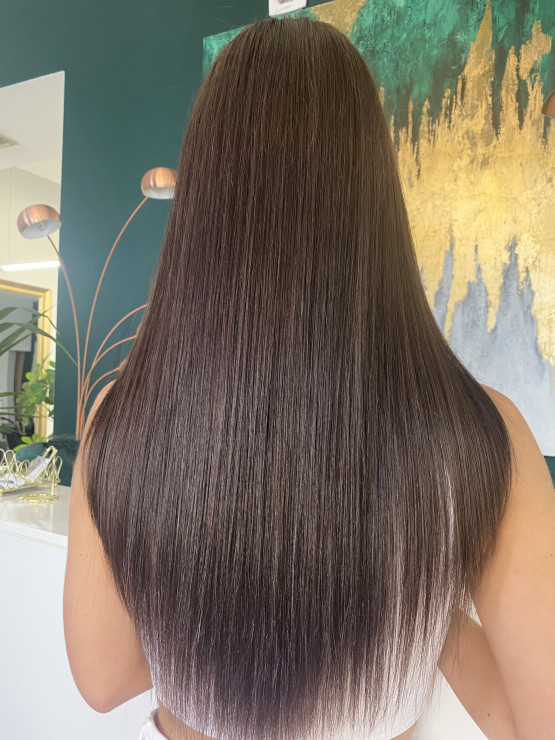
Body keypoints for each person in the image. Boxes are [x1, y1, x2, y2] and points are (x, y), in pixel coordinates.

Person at [63, 16, 555, 740]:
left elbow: (103, 679)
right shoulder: (486, 435)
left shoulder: (123, 417)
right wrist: (422, 590)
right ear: (374, 194)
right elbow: (533, 717)